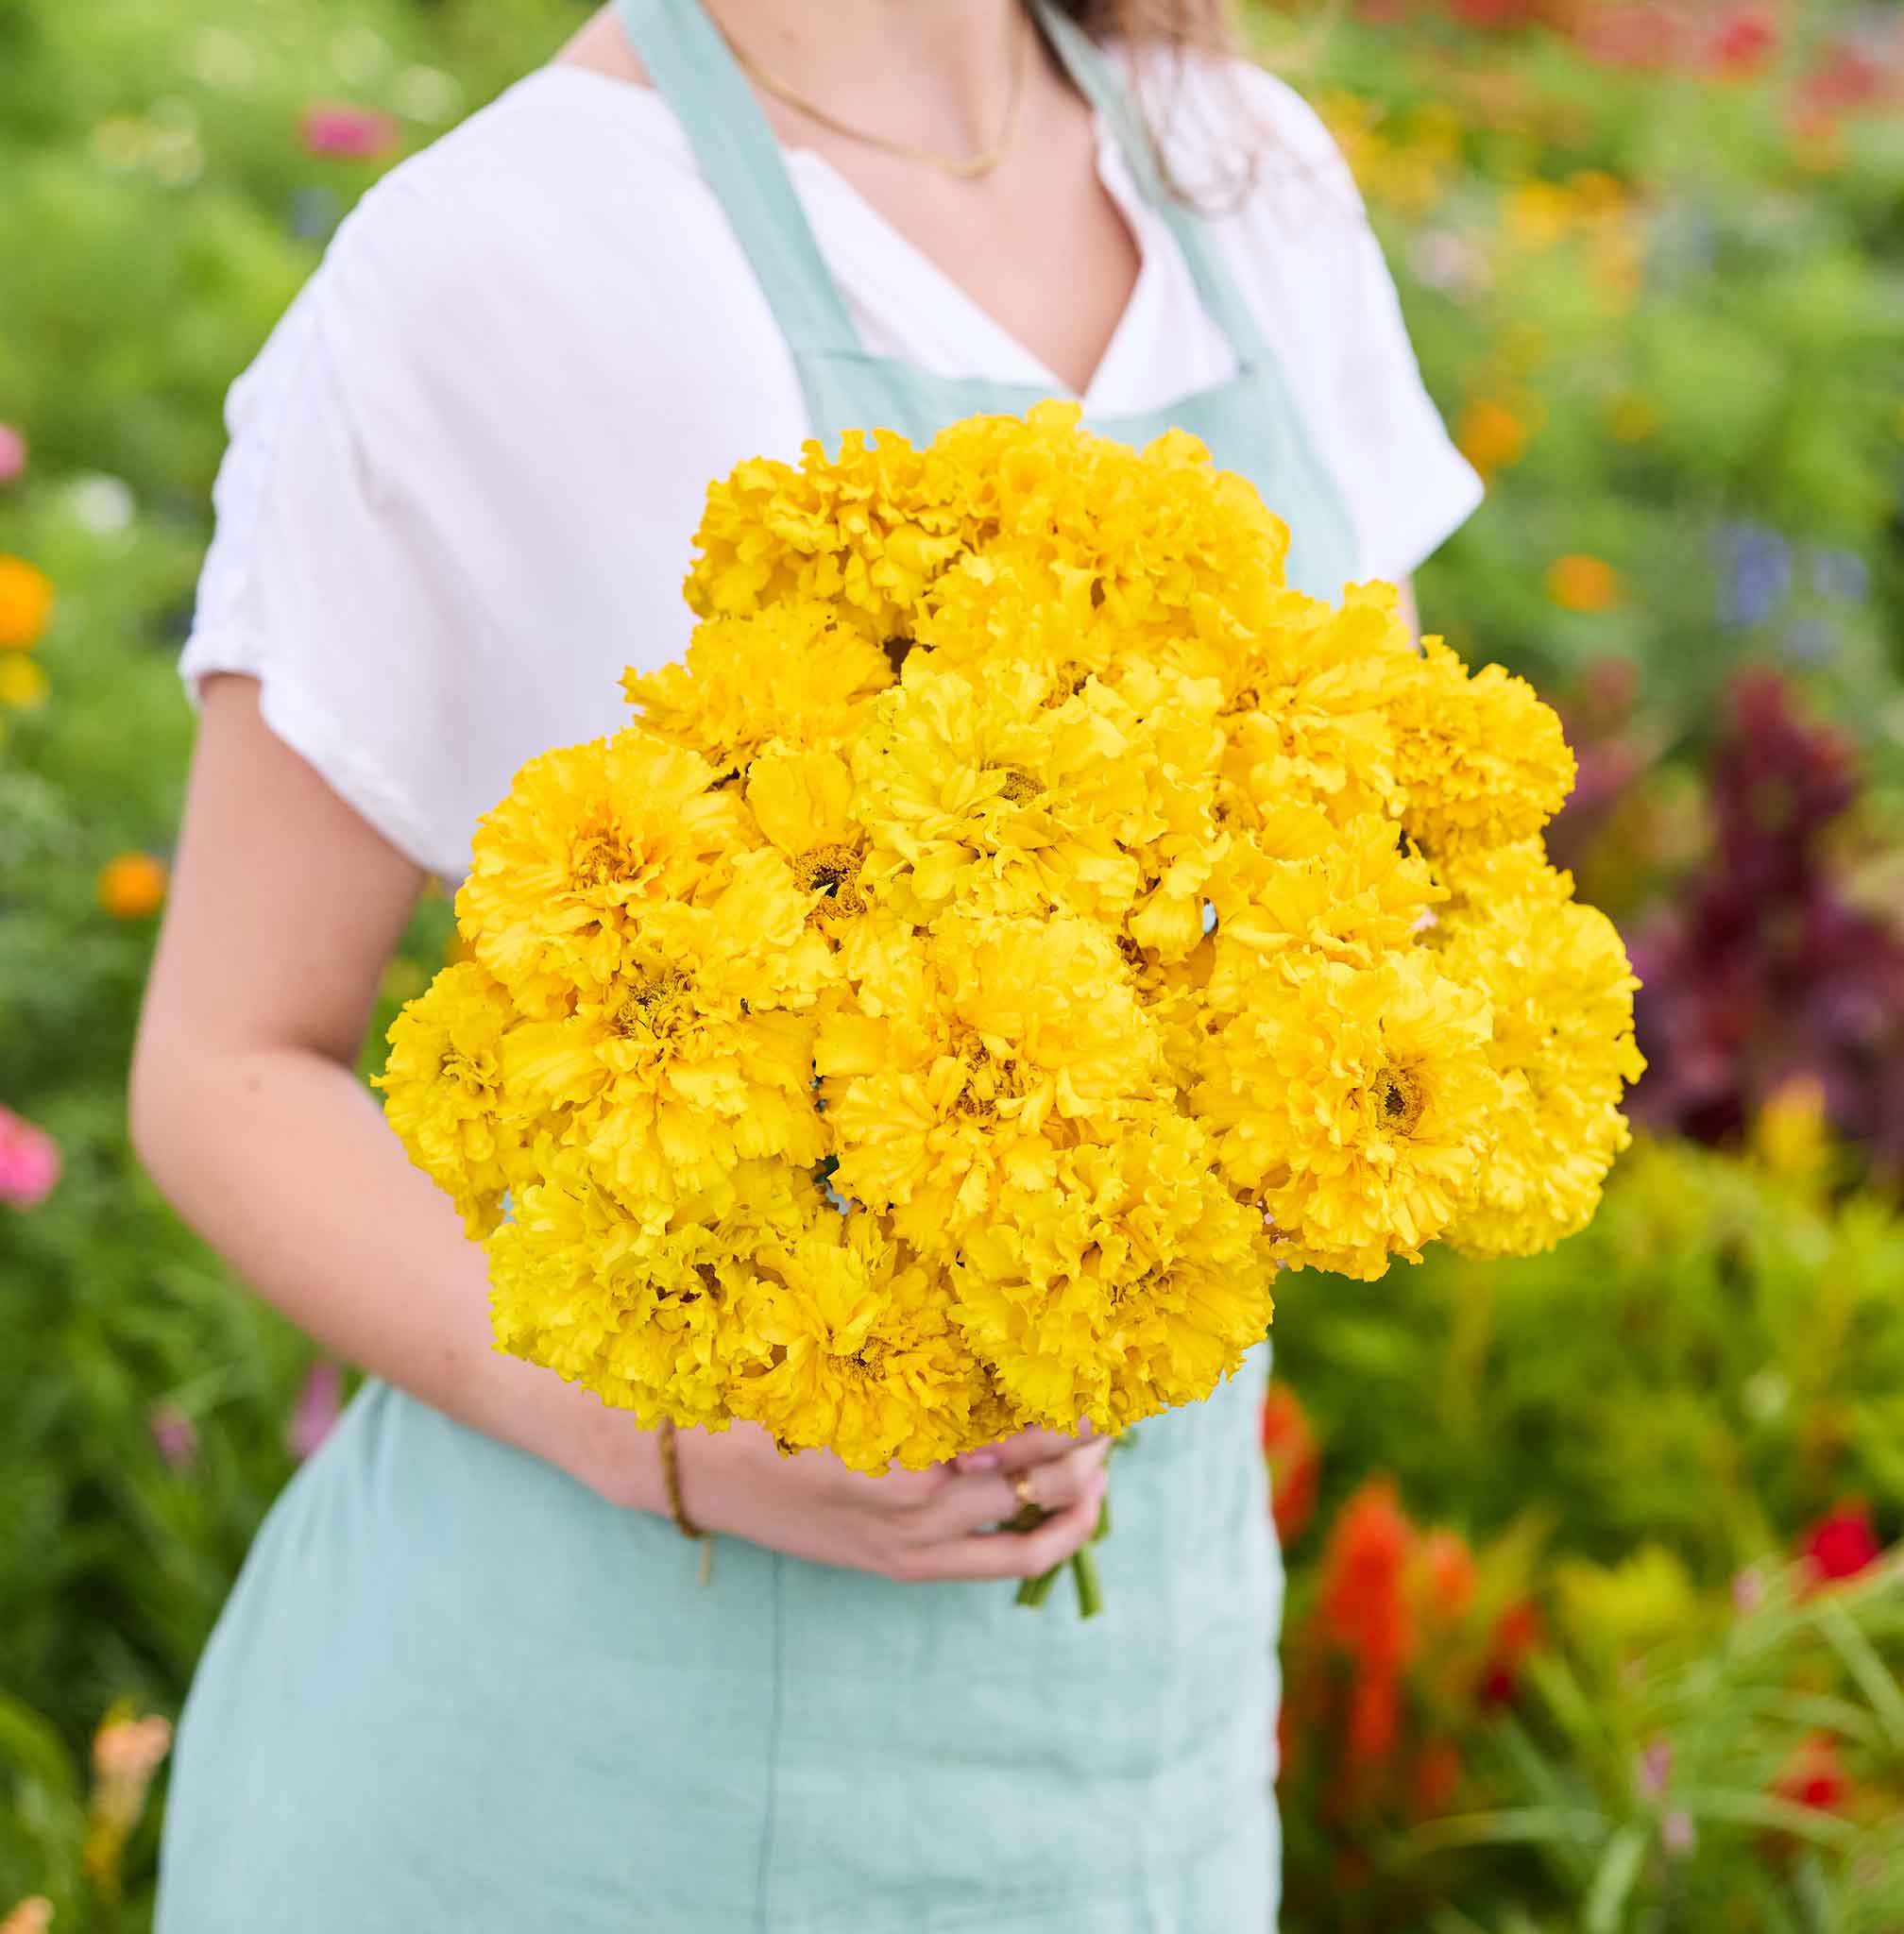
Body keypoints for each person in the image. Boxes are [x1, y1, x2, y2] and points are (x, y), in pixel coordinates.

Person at [130, 2, 1483, 1926]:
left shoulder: (1235, 167)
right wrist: (673, 1436)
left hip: (1137, 1748)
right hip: (598, 1765)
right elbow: (227, 1065)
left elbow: (1382, 866)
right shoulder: (497, 255)